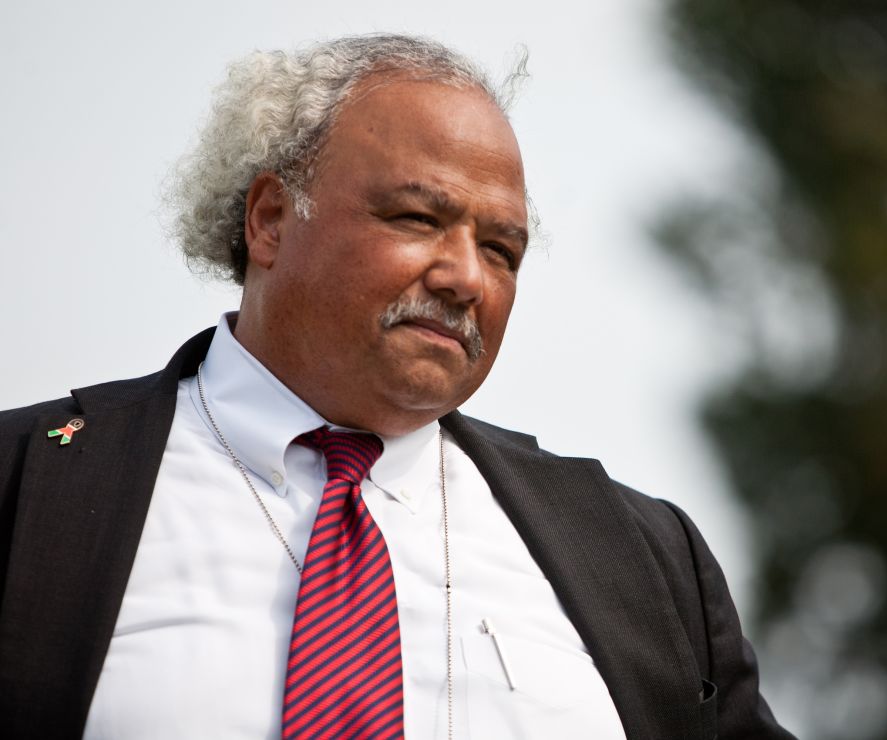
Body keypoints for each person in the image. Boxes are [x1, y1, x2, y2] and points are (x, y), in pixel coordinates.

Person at [0, 34, 794, 740]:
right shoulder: (30, 483)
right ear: (271, 218)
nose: (465, 278)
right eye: (417, 218)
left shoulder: (644, 555)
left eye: (502, 250)